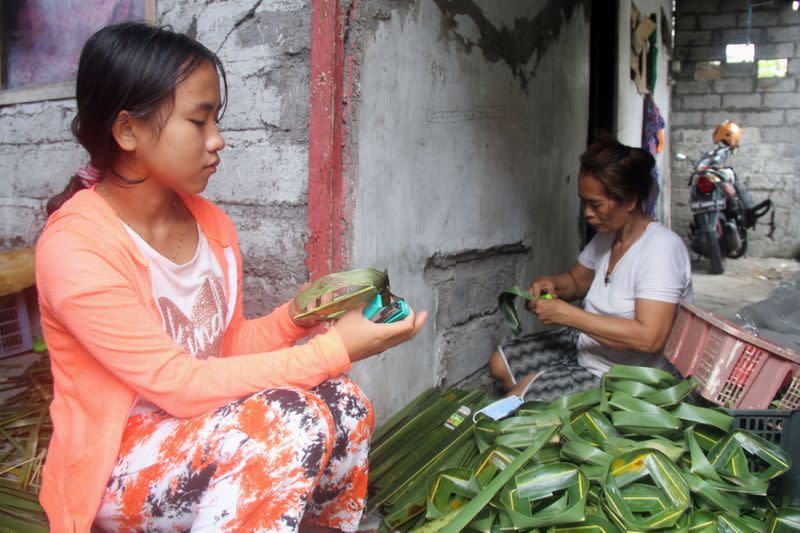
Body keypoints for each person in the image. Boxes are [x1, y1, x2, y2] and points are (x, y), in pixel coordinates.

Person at [36, 22, 427, 533]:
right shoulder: (76, 245)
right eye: (199, 121)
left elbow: (226, 346)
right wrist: (335, 349)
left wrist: (298, 318)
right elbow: (176, 382)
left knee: (345, 402)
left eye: (215, 120)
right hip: (116, 461)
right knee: (289, 420)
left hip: (197, 426)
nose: (217, 140)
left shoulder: (211, 226)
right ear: (128, 130)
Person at [489, 140, 692, 400]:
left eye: (596, 205)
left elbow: (649, 338)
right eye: (584, 203)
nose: (587, 213)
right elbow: (576, 280)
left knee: (517, 400)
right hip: (589, 346)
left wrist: (569, 316)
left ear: (629, 201)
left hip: (627, 374)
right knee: (499, 364)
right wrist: (552, 285)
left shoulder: (661, 250)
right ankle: (549, 383)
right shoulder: (609, 235)